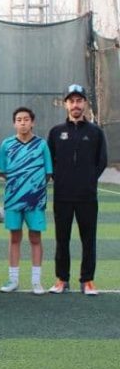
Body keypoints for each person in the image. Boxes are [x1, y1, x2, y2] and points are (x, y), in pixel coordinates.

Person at [47, 84, 108, 295]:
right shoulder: (56, 132)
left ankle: (87, 280)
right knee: (62, 239)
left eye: (79, 100)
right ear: (66, 104)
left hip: (87, 196)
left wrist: (88, 180)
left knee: (88, 240)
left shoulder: (95, 132)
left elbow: (102, 160)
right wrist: (61, 179)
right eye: (72, 101)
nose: (75, 105)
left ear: (85, 104)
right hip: (62, 195)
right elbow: (50, 161)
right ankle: (62, 279)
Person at [0, 107, 53, 295]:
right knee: (14, 238)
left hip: (35, 201)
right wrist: (19, 185)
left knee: (35, 238)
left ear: (32, 122)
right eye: (19, 120)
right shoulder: (6, 145)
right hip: (13, 200)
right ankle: (13, 280)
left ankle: (36, 281)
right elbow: (3, 171)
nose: (23, 123)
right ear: (14, 123)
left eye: (26, 119)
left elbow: (48, 173)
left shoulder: (41, 144)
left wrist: (32, 187)